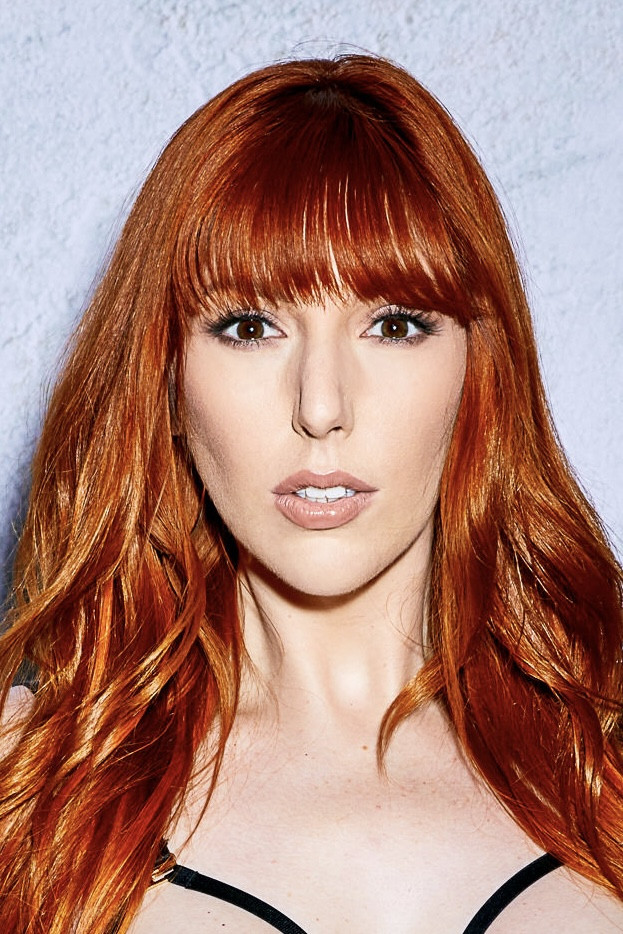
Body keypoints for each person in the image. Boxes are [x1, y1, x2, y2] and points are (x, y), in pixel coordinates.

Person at [0, 54, 622, 934]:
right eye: (249, 326)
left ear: (479, 371)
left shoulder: (603, 772)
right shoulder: (32, 798)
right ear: (165, 383)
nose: (321, 406)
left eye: (393, 324)